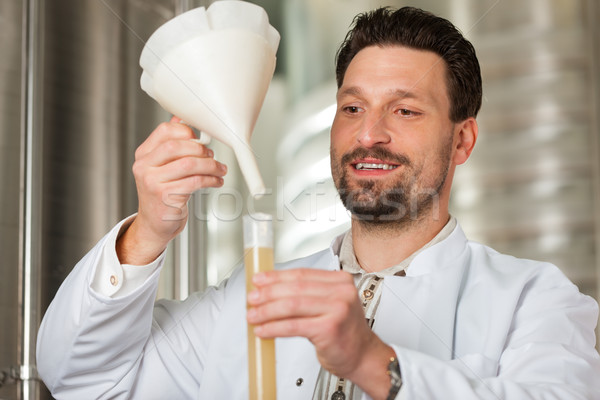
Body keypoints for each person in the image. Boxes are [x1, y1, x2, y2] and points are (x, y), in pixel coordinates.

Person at [37, 6, 600, 400]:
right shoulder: (252, 298)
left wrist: (373, 362)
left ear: (462, 140)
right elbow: (85, 381)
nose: (368, 134)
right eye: (352, 108)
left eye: (404, 111)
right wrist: (149, 233)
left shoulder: (533, 299)